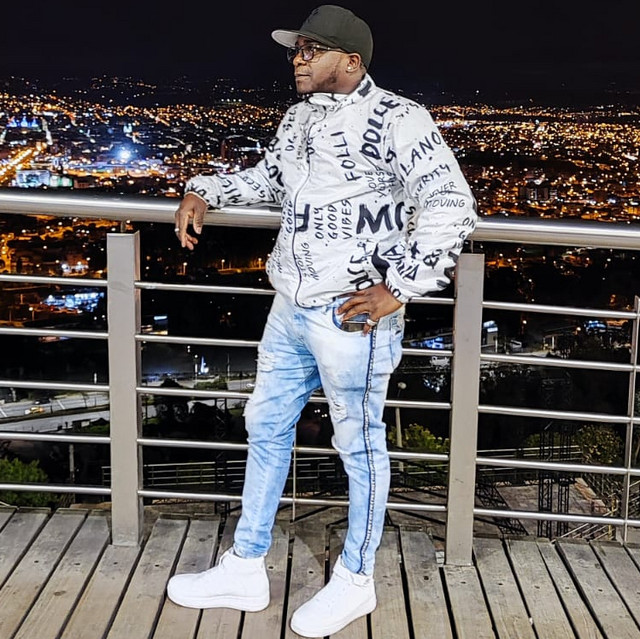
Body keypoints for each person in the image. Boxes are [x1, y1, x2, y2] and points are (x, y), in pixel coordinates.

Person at [167, 4, 477, 637]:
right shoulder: (300, 117)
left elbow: (452, 204)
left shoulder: (399, 119)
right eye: (296, 49)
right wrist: (207, 190)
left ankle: (356, 580)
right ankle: (245, 565)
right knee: (265, 425)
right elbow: (272, 179)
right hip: (291, 304)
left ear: (351, 61)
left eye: (312, 50)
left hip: (350, 315)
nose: (298, 60)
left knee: (358, 446)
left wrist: (398, 289)